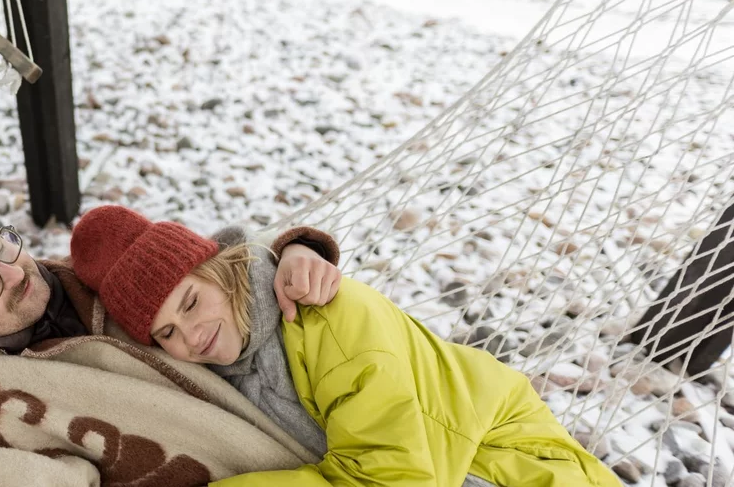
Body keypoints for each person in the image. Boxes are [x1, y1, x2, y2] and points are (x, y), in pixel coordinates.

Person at [69, 205, 623, 487]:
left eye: (190, 303)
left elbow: (391, 479)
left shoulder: (333, 319)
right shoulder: (226, 359)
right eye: (165, 333)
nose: (189, 337)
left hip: (511, 468)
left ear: (223, 269)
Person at [0, 208, 343, 486]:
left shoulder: (99, 267)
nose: (12, 273)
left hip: (336, 431)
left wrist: (298, 251)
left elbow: (220, 264)